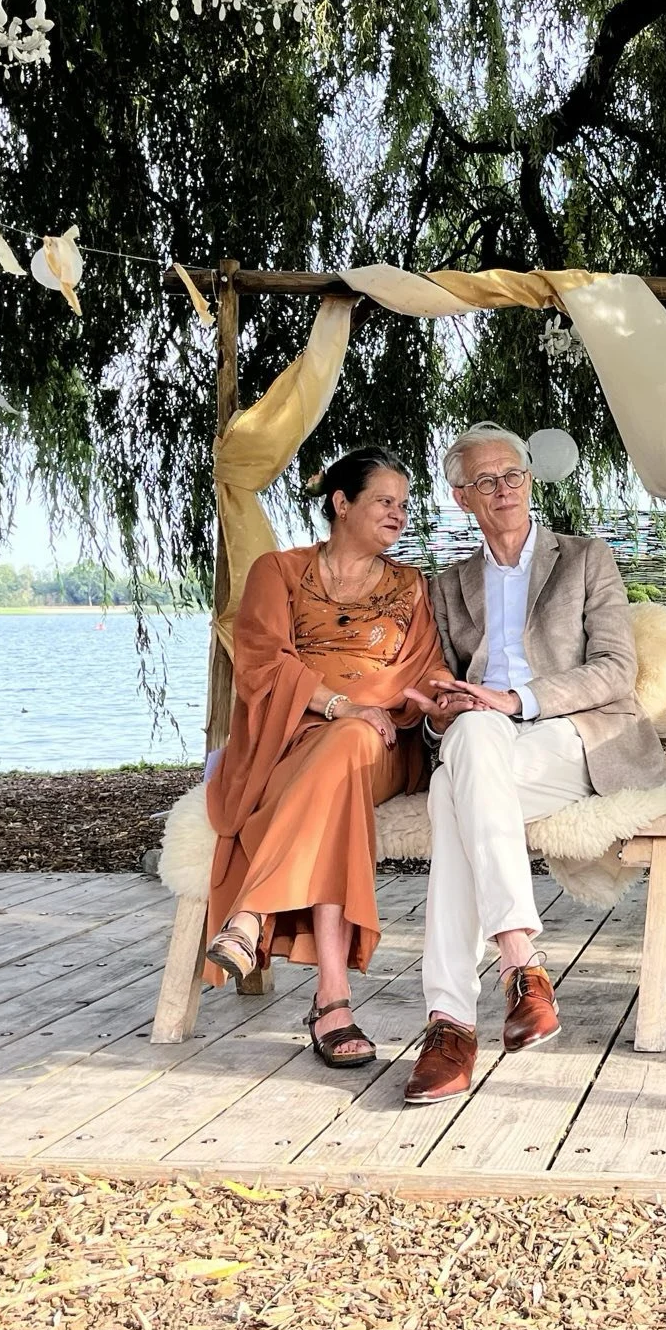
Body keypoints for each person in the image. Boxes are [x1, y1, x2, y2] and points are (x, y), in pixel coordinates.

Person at [401, 423, 666, 1106]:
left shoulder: (584, 558)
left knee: (455, 784)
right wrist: (443, 712)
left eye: (514, 474)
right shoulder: (449, 585)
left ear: (529, 479)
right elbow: (443, 691)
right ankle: (515, 970)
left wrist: (516, 699)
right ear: (463, 498)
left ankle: (453, 1024)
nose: (504, 489)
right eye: (486, 480)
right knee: (464, 754)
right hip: (487, 750)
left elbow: (616, 669)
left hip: (574, 738)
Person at [202, 446, 447, 1068]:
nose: (399, 515)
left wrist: (439, 703)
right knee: (337, 774)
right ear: (341, 503)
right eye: (385, 501)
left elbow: (423, 673)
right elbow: (261, 662)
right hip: (289, 740)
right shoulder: (278, 571)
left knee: (354, 740)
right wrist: (339, 705)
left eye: (404, 504)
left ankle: (251, 912)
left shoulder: (411, 586)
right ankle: (331, 1003)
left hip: (383, 746)